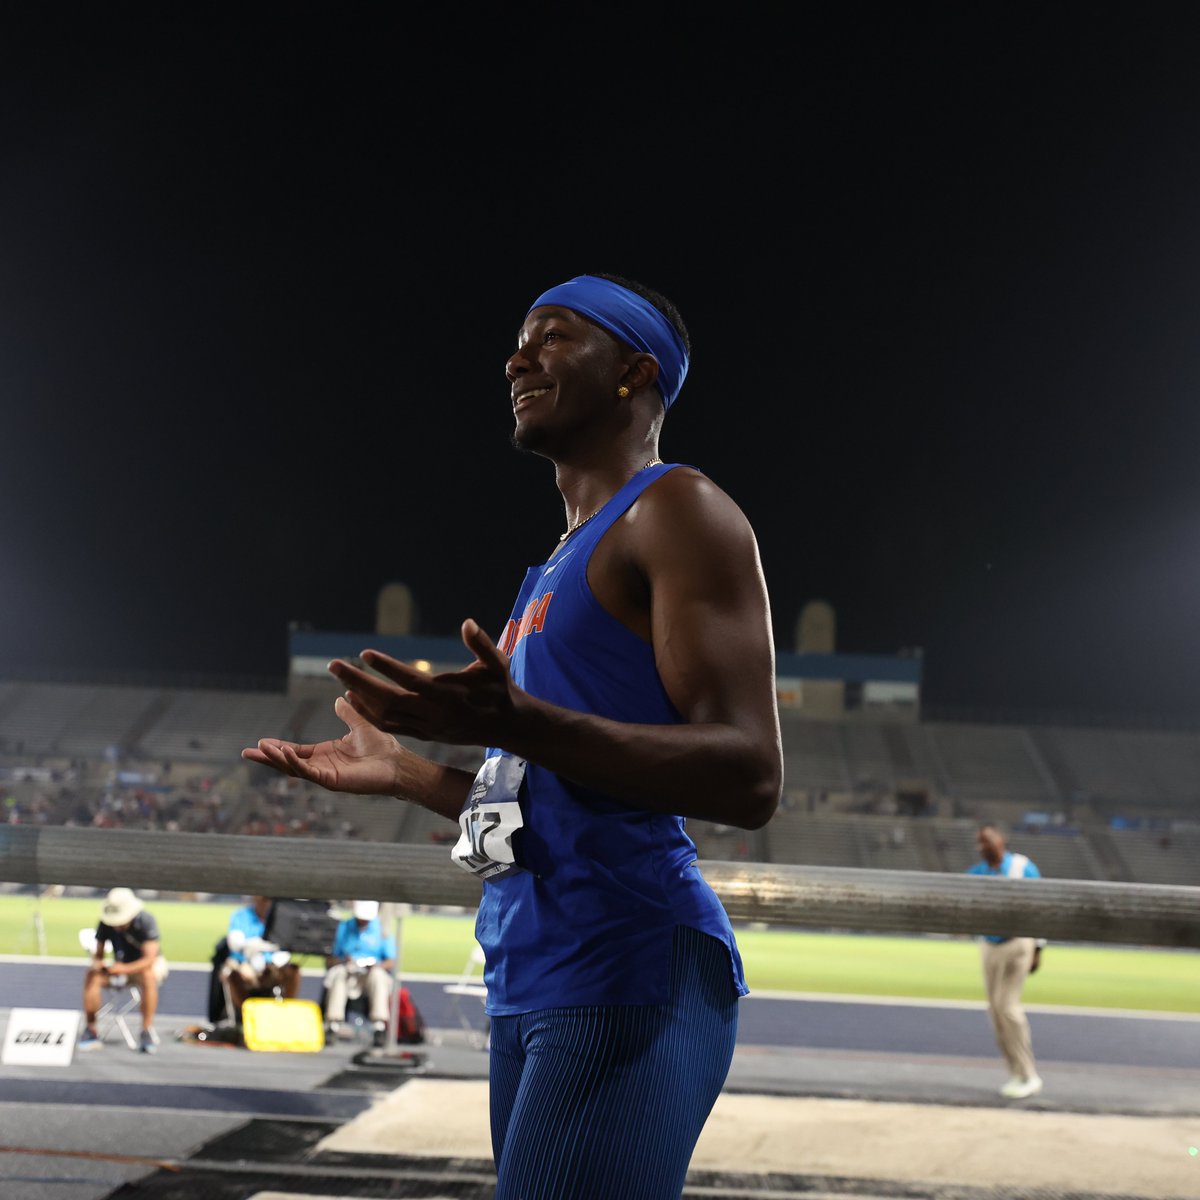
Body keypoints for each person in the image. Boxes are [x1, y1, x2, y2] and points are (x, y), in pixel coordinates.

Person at [243, 271, 783, 1199]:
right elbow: (549, 810)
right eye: (520, 339)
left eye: (554, 336)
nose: (516, 358)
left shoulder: (676, 509)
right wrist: (412, 775)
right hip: (535, 971)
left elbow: (750, 777)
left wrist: (518, 721)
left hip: (628, 961)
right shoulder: (546, 575)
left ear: (634, 370)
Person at [967, 822, 1045, 1099]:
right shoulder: (979, 872)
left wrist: (1038, 948)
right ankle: (1015, 1071)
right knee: (995, 1011)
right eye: (979, 843)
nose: (982, 847)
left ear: (1001, 840)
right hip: (990, 944)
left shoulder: (1022, 868)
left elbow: (1041, 906)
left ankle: (1029, 1074)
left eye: (987, 841)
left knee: (1008, 1007)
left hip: (1017, 942)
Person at [80, 887, 169, 1054]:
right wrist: (100, 965)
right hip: (119, 966)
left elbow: (149, 959)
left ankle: (146, 1030)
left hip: (144, 967)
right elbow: (98, 955)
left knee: (148, 976)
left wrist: (124, 968)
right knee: (92, 976)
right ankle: (91, 1028)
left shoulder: (146, 921)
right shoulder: (105, 923)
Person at [324, 899, 396, 1047]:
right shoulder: (344, 927)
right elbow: (331, 959)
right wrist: (345, 961)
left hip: (371, 975)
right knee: (339, 975)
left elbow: (390, 961)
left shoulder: (381, 930)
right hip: (349, 973)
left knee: (378, 977)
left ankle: (379, 1026)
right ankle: (333, 1025)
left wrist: (376, 966)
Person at [218, 894, 301, 1021]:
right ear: (255, 898)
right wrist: (252, 952)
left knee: (293, 971)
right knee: (236, 974)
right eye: (263, 899)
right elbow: (235, 944)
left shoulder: (281, 918)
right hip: (244, 963)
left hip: (272, 966)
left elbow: (285, 947)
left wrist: (276, 959)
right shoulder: (241, 916)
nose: (266, 903)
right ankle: (247, 1017)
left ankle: (285, 1014)